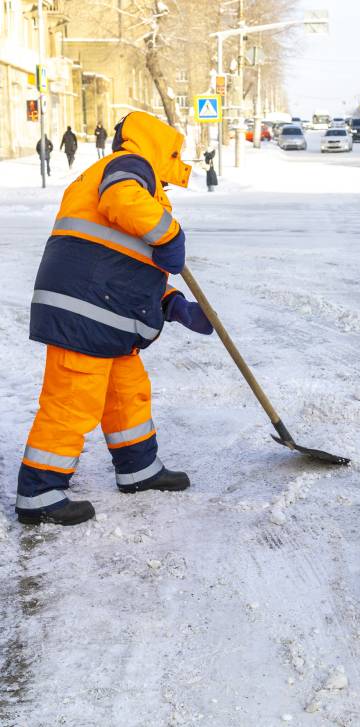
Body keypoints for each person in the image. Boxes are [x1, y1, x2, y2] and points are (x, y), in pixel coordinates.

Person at [16, 111, 213, 527]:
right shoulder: (129, 167)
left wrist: (172, 304)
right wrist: (170, 234)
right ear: (163, 147)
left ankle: (138, 469)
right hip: (83, 310)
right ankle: (39, 492)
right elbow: (123, 201)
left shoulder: (144, 185)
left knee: (127, 392)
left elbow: (126, 264)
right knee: (72, 400)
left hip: (107, 312)